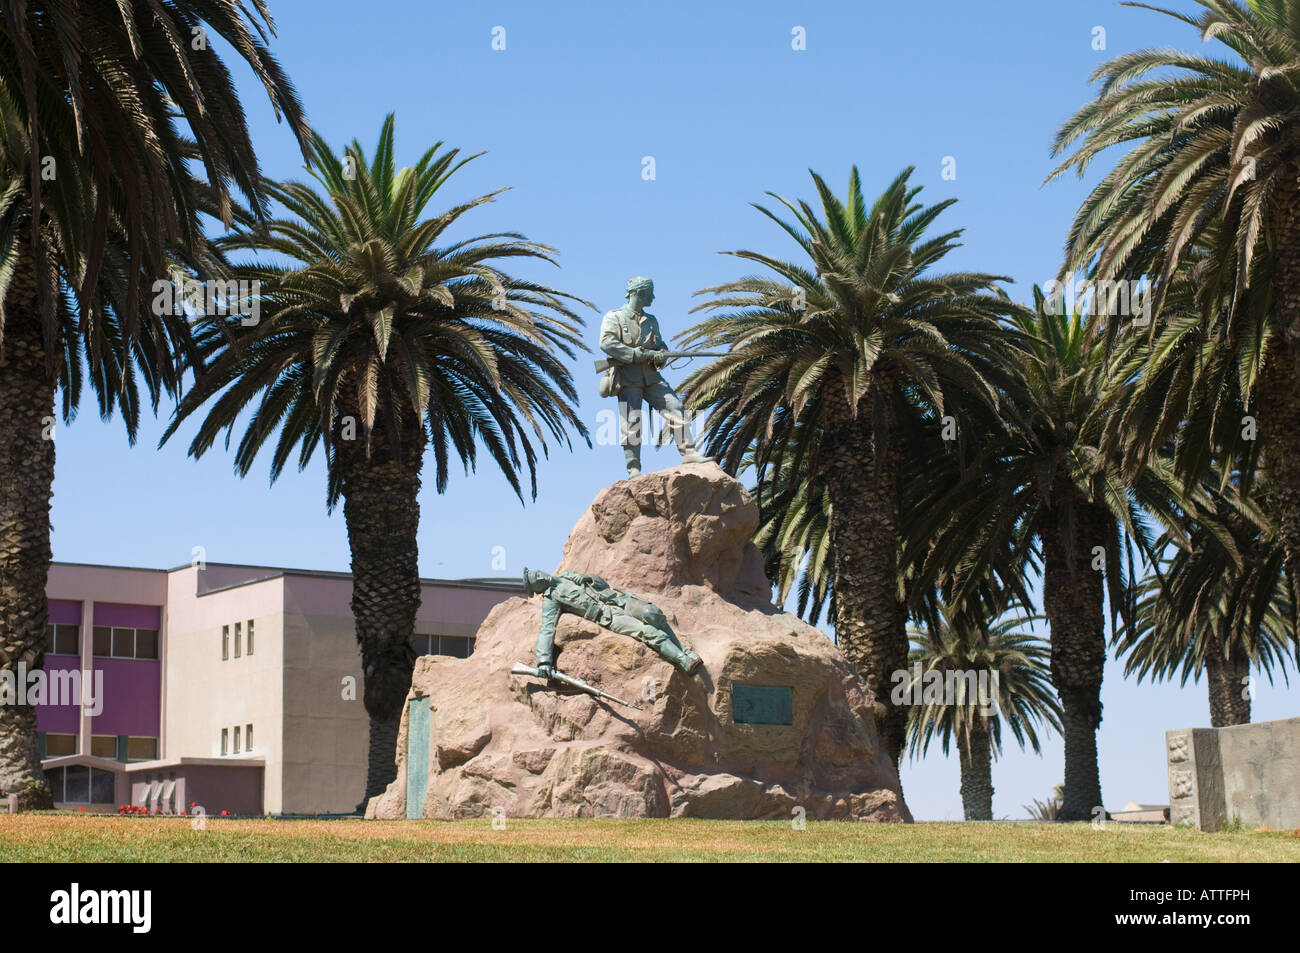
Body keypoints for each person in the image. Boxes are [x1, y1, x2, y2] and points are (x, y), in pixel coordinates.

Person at [599, 276, 711, 477]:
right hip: (627, 377)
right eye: (650, 293)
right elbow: (607, 343)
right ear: (639, 293)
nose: (653, 297)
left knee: (675, 407)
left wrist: (661, 354)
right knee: (632, 423)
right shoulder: (614, 317)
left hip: (651, 377)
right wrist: (633, 354)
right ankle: (633, 468)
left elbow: (658, 347)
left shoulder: (652, 321)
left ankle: (689, 452)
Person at [522, 568, 703, 677]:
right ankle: (684, 661)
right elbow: (546, 629)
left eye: (537, 573)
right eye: (535, 580)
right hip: (609, 616)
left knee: (653, 614)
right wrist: (543, 662)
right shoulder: (551, 600)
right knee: (649, 632)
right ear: (536, 590)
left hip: (617, 600)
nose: (539, 577)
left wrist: (589, 578)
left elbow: (602, 585)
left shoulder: (567, 575)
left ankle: (684, 651)